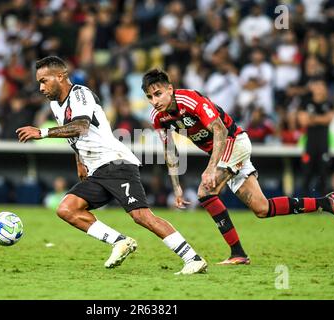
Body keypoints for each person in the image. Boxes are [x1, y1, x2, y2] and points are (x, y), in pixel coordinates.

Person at [16, 56, 206, 275]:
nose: (41, 87)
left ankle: (193, 258)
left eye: (44, 80)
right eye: (39, 82)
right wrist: (80, 160)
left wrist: (42, 132)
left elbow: (81, 126)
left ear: (60, 76)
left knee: (141, 216)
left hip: (115, 162)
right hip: (97, 169)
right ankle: (120, 242)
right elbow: (74, 135)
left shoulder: (80, 94)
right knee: (67, 209)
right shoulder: (55, 104)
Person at [141, 69, 334, 265]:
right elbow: (170, 150)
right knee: (262, 208)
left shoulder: (189, 99)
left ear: (170, 88)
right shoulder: (157, 117)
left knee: (205, 191)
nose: (154, 101)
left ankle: (237, 253)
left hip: (234, 142)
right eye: (150, 97)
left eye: (158, 93)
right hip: (223, 153)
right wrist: (176, 186)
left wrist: (210, 168)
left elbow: (220, 131)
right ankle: (326, 202)